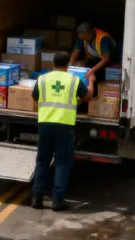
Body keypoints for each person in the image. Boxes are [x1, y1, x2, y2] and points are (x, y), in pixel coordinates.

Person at [31, 52, 93, 211]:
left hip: (45, 123)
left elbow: (35, 97)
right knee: (62, 162)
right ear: (68, 65)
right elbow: (87, 97)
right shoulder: (74, 80)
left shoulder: (42, 79)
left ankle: (37, 198)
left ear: (53, 63)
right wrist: (91, 82)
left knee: (42, 161)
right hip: (64, 125)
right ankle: (57, 200)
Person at [69, 22, 117, 88]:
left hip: (108, 61)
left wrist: (92, 70)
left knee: (99, 78)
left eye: (86, 37)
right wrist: (70, 67)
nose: (84, 39)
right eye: (82, 37)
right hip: (94, 58)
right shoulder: (81, 37)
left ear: (92, 32)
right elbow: (75, 53)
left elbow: (106, 59)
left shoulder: (103, 39)